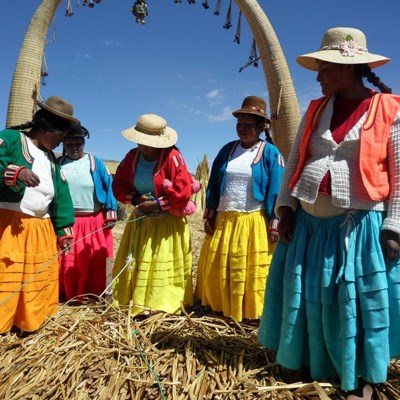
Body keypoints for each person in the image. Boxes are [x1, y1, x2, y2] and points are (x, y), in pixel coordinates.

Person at [257, 27, 400, 400]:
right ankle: (307, 360)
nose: (318, 76)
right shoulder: (317, 109)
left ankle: (362, 378)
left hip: (358, 225)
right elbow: (295, 161)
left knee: (354, 301)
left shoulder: (388, 109)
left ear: (347, 68)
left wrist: (394, 227)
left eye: (324, 68)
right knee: (306, 295)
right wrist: (285, 208)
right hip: (308, 225)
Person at [196, 96, 284, 322]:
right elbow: (214, 183)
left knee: (246, 268)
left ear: (260, 127)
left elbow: (276, 189)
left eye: (248, 125)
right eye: (239, 125)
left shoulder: (270, 153)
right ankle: (220, 306)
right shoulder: (227, 150)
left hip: (252, 220)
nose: (242, 129)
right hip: (225, 218)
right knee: (220, 265)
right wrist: (211, 212)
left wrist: (275, 221)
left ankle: (249, 313)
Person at [0, 96, 77, 334]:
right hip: (10, 224)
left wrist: (64, 230)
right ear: (44, 127)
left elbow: (61, 195)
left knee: (35, 277)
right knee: (7, 273)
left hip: (40, 228)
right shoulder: (12, 139)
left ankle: (28, 322)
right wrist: (16, 172)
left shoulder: (50, 159)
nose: (60, 143)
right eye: (59, 137)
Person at [111, 113, 194, 317]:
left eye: (148, 142)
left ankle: (162, 303)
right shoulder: (132, 157)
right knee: (138, 259)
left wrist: (158, 203)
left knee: (160, 260)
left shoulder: (172, 157)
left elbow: (184, 191)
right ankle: (137, 300)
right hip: (141, 220)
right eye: (140, 141)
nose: (143, 145)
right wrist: (136, 200)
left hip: (166, 222)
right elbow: (119, 185)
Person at [58, 122, 118, 301]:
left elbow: (110, 187)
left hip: (94, 220)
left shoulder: (94, 163)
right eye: (69, 144)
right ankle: (69, 293)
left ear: (84, 144)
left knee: (97, 258)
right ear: (64, 145)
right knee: (70, 260)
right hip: (70, 222)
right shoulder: (58, 164)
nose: (74, 148)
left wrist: (111, 212)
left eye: (78, 144)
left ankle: (98, 293)